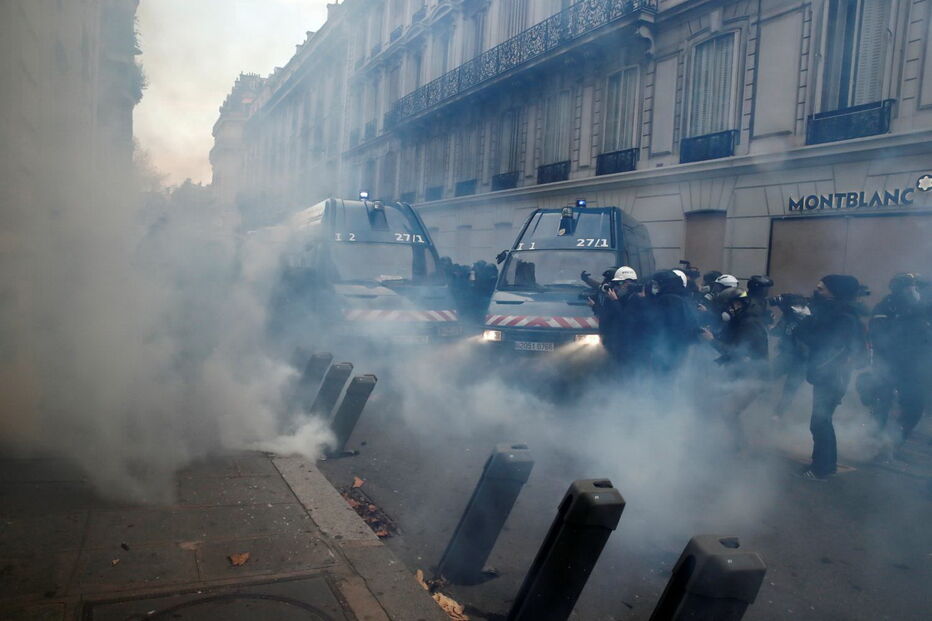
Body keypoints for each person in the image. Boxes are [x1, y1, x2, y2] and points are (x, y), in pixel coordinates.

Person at [795, 274, 866, 480]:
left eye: (822, 288)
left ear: (835, 293)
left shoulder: (844, 318)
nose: (817, 291)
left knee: (820, 422)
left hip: (833, 377)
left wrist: (806, 321)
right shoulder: (834, 313)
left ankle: (821, 470)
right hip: (830, 375)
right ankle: (824, 464)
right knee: (821, 421)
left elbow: (829, 346)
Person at [700, 289, 769, 445]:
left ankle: (738, 448)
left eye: (726, 306)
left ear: (738, 304)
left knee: (728, 411)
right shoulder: (740, 321)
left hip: (754, 378)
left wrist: (711, 341)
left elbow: (737, 352)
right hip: (741, 374)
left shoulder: (749, 324)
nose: (725, 311)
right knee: (708, 398)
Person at [867, 273, 931, 443]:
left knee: (914, 404)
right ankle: (874, 439)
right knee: (882, 402)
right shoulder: (888, 306)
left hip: (917, 367)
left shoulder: (925, 307)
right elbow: (878, 333)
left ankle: (897, 438)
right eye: (912, 286)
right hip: (890, 364)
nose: (916, 290)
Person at [646, 269, 700, 378]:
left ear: (665, 284)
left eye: (657, 284)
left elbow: (662, 325)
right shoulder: (682, 298)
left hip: (670, 349)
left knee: (665, 379)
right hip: (681, 348)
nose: (655, 287)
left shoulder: (668, 299)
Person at [602, 266, 649, 373]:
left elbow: (625, 319)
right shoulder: (626, 298)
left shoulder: (636, 300)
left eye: (619, 284)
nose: (617, 287)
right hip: (624, 346)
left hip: (632, 348)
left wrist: (615, 301)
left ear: (627, 283)